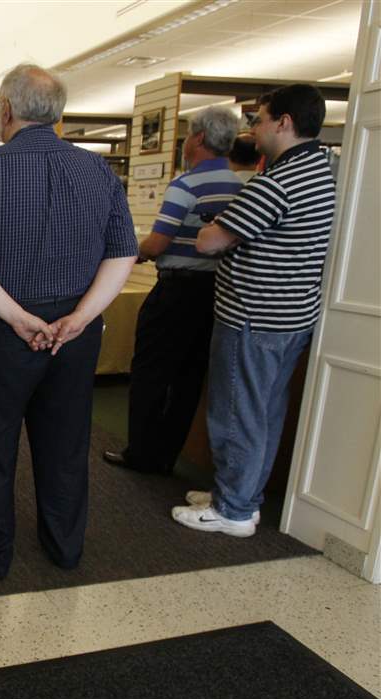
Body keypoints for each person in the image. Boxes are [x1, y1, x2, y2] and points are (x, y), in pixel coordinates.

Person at [0, 64, 137, 577]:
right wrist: (81, 317)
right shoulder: (98, 171)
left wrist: (17, 317)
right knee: (66, 444)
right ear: (58, 115)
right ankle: (64, 547)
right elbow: (123, 253)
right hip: (74, 333)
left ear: (5, 110)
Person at [173, 84, 336, 537]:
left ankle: (233, 509)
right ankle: (241, 497)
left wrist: (214, 226)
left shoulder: (277, 181)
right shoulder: (320, 170)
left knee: (236, 413)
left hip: (253, 316)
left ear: (284, 123)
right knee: (263, 412)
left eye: (260, 120)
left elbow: (211, 242)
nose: (253, 130)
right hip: (290, 317)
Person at [103, 107, 243, 474]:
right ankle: (166, 455)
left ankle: (141, 453)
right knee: (189, 377)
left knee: (150, 370)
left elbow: (157, 243)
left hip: (177, 290)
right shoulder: (240, 187)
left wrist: (128, 254)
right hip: (217, 292)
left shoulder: (186, 185)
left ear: (198, 138)